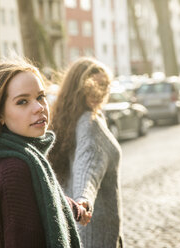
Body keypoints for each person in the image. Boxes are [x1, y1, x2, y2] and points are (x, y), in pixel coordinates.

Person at [0, 59, 90, 248]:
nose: (39, 107)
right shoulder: (15, 169)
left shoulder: (18, 157)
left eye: (40, 96)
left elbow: (48, 199)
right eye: (22, 101)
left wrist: (77, 210)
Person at [49, 57, 124, 248]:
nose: (103, 90)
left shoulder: (66, 120)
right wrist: (84, 199)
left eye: (106, 85)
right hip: (94, 230)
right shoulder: (89, 123)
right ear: (79, 88)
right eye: (96, 85)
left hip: (79, 225)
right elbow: (87, 166)